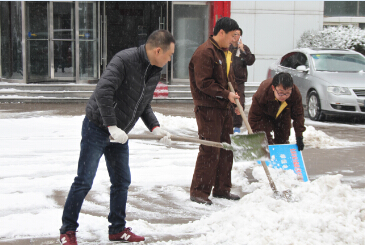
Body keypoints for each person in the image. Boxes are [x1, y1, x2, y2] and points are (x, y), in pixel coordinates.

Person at [59, 30, 175, 245]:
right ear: (158, 50)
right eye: (169, 55)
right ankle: (67, 231)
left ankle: (117, 229)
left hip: (119, 134)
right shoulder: (124, 59)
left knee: (121, 181)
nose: (170, 59)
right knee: (84, 180)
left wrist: (155, 128)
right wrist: (111, 125)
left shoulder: (154, 70)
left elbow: (143, 104)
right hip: (97, 126)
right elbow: (104, 91)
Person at [189, 17, 241, 205]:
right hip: (208, 108)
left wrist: (234, 101)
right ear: (221, 33)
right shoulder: (205, 52)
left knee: (227, 148)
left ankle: (222, 189)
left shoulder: (223, 52)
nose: (234, 40)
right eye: (232, 35)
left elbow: (230, 79)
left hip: (224, 108)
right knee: (210, 149)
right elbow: (204, 83)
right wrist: (225, 94)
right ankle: (199, 191)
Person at [248, 72, 305, 150]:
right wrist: (254, 134)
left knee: (283, 140)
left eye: (287, 93)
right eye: (281, 93)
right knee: (264, 141)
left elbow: (298, 116)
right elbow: (254, 116)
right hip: (264, 115)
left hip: (283, 114)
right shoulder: (263, 92)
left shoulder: (295, 93)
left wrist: (299, 136)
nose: (284, 96)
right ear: (273, 88)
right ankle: (266, 159)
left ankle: (280, 159)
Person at [229, 28, 256, 133]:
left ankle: (237, 127)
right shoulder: (228, 48)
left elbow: (250, 61)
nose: (236, 36)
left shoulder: (244, 49)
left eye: (238, 34)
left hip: (239, 81)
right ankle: (228, 125)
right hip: (228, 80)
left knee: (240, 102)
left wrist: (243, 51)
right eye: (234, 34)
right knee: (229, 102)